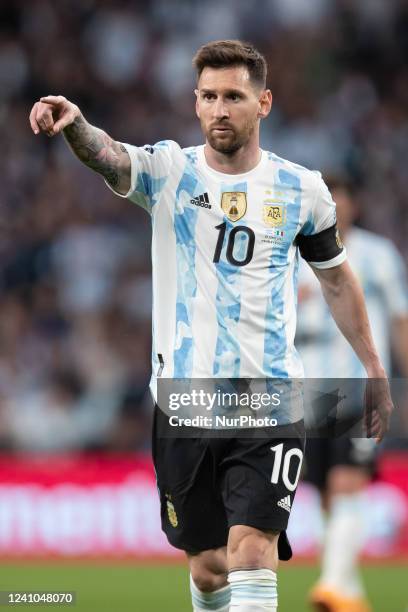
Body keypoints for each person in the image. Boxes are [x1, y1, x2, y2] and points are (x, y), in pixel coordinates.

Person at [29, 40, 393, 612]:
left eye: (233, 96)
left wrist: (372, 364)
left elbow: (337, 280)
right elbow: (111, 156)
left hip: (269, 398)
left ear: (264, 103)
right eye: (209, 97)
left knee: (252, 550)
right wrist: (76, 124)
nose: (220, 109)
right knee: (209, 569)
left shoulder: (302, 190)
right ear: (195, 103)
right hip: (184, 400)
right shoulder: (168, 171)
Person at [296, 177, 408, 612]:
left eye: (340, 197)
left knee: (349, 482)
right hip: (307, 391)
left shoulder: (377, 255)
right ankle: (349, 592)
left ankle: (329, 585)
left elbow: (400, 317)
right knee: (327, 491)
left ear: (353, 205)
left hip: (358, 386)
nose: (334, 205)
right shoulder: (293, 256)